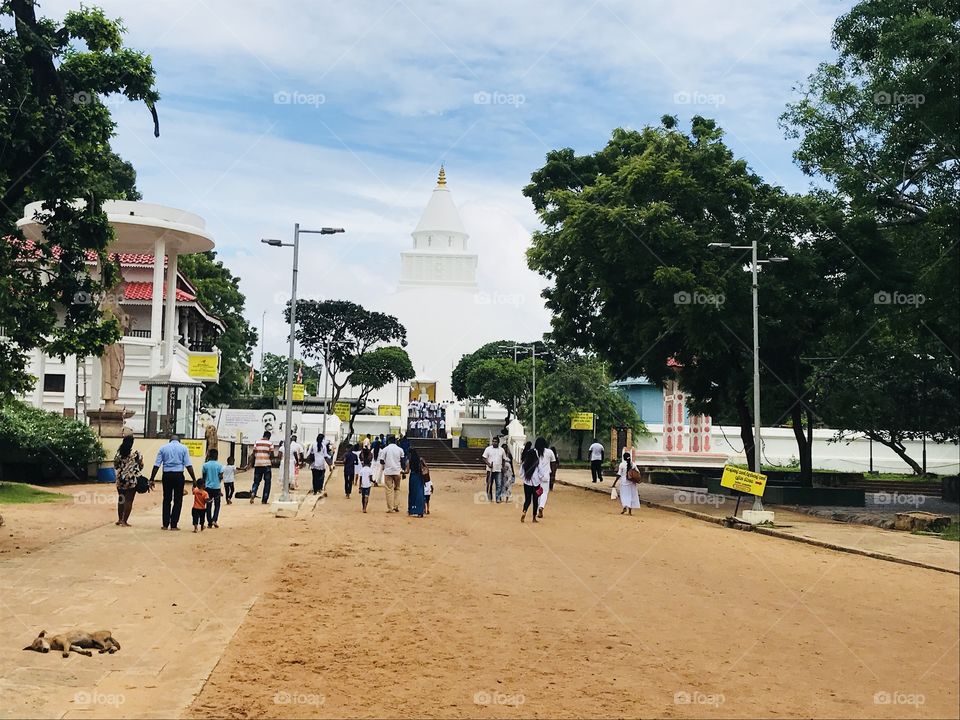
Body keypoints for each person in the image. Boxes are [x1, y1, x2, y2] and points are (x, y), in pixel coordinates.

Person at [149, 433, 198, 531]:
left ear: (170, 440)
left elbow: (157, 465)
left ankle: (165, 524)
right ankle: (174, 525)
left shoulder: (163, 448)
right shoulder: (183, 448)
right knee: (178, 500)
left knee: (166, 499)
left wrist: (152, 478)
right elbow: (188, 465)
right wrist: (194, 479)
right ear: (179, 441)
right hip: (178, 475)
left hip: (166, 475)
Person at [113, 434, 144, 527]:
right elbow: (141, 465)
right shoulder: (136, 453)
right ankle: (124, 521)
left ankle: (119, 519)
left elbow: (115, 465)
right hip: (131, 479)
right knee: (129, 500)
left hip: (120, 479)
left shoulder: (118, 454)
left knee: (121, 499)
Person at [380, 436, 405, 513]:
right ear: (395, 441)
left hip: (388, 472)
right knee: (397, 489)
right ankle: (396, 506)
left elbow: (381, 461)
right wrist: (403, 471)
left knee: (388, 490)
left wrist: (386, 464)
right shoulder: (400, 449)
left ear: (388, 441)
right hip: (397, 471)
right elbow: (403, 461)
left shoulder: (385, 449)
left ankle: (390, 508)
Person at [249, 431, 275, 504]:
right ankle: (264, 500)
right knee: (267, 482)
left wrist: (251, 463)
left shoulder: (257, 442)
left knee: (256, 482)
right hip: (266, 465)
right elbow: (272, 454)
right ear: (269, 437)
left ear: (263, 435)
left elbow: (253, 453)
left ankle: (253, 492)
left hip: (257, 464)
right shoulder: (270, 443)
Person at [534, 437, 557, 520]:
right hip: (546, 476)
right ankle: (541, 507)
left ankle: (537, 510)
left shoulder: (534, 452)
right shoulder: (550, 452)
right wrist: (553, 475)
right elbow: (553, 464)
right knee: (544, 492)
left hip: (536, 476)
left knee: (537, 493)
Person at [519, 445, 543, 523]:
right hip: (536, 484)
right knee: (535, 501)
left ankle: (524, 511)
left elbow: (521, 474)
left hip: (527, 484)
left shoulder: (524, 464)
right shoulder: (537, 463)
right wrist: (539, 479)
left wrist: (525, 479)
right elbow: (541, 474)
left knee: (527, 500)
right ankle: (534, 518)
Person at [614, 450, 641, 515]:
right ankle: (630, 511)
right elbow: (638, 472)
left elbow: (619, 474)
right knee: (631, 495)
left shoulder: (622, 464)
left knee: (624, 495)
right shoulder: (633, 464)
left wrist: (614, 483)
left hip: (624, 482)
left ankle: (625, 506)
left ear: (623, 458)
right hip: (632, 482)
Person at [202, 449, 224, 528]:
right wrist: (218, 479)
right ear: (217, 456)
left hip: (208, 487)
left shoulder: (205, 465)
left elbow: (204, 477)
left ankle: (209, 522)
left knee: (208, 505)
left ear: (209, 455)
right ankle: (214, 519)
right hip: (216, 487)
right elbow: (221, 476)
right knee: (217, 505)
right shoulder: (220, 465)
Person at [482, 436, 505, 503]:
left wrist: (503, 467)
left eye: (496, 442)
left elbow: (503, 459)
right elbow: (484, 458)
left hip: (498, 470)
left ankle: (498, 498)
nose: (494, 443)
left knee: (499, 484)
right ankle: (489, 497)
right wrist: (488, 464)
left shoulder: (502, 450)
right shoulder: (488, 449)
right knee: (489, 483)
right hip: (490, 470)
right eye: (493, 441)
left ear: (498, 442)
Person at [407, 449, 426, 517]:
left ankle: (412, 509)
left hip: (413, 477)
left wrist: (402, 472)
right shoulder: (420, 460)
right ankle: (420, 510)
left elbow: (407, 471)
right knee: (420, 493)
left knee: (412, 493)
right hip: (419, 477)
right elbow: (425, 467)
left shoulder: (409, 461)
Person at [358, 448, 374, 513]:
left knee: (363, 497)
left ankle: (363, 507)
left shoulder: (361, 470)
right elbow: (370, 479)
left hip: (363, 485)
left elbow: (360, 479)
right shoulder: (370, 470)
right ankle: (365, 507)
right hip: (368, 485)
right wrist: (373, 481)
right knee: (367, 496)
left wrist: (359, 487)